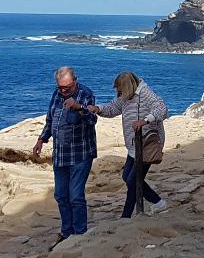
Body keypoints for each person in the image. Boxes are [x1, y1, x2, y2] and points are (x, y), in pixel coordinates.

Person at [30, 66, 97, 247]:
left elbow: (92, 119)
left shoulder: (85, 94)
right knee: (60, 195)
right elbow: (51, 120)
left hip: (80, 153)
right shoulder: (56, 94)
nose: (64, 90)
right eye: (60, 87)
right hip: (60, 154)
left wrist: (78, 108)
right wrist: (41, 139)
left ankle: (80, 234)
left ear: (75, 80)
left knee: (75, 195)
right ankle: (67, 232)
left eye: (67, 87)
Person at [90, 71, 168, 218]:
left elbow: (162, 109)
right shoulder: (125, 97)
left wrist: (146, 120)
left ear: (127, 87)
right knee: (128, 177)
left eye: (119, 89)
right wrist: (98, 109)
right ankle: (157, 203)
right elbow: (113, 108)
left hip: (148, 144)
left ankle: (129, 214)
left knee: (133, 180)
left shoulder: (145, 93)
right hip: (134, 145)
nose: (118, 93)